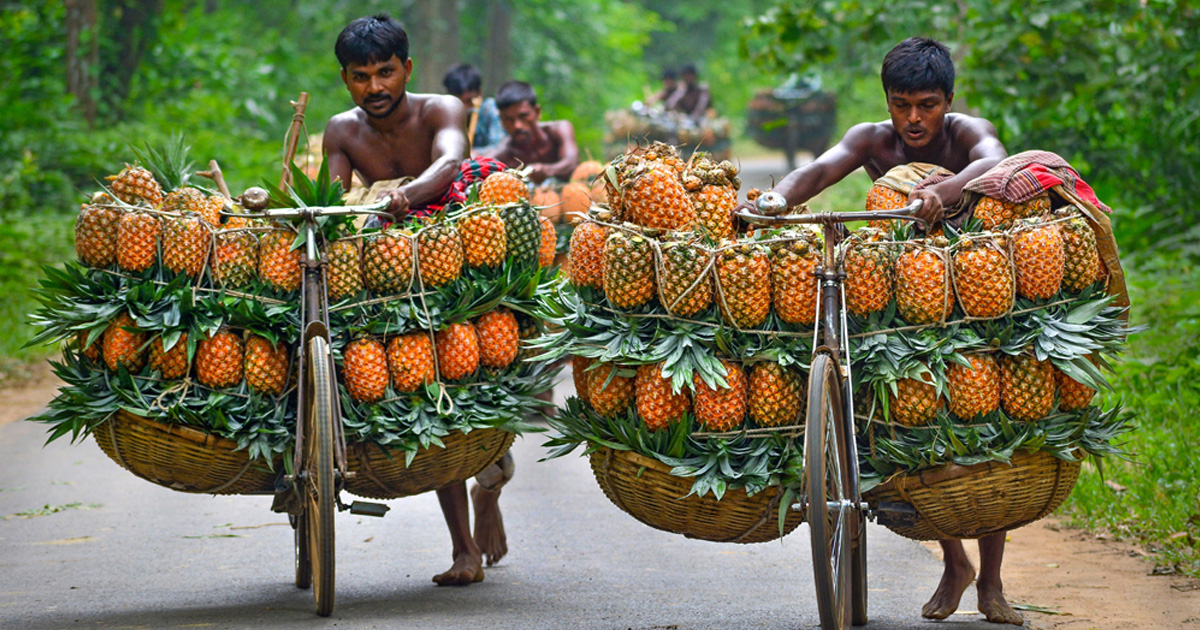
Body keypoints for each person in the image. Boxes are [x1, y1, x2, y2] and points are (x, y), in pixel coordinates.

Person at [747, 38, 1019, 625]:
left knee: (983, 424)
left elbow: (995, 161)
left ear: (948, 100)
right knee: (899, 416)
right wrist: (776, 199)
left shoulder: (969, 133)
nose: (914, 119)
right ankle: (954, 561)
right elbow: (819, 169)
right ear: (887, 102)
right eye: (902, 104)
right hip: (900, 295)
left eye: (927, 104)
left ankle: (991, 581)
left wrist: (945, 192)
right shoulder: (874, 139)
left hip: (970, 293)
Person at [322, 13, 510, 586]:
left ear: (407, 68)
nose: (375, 87)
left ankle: (491, 492)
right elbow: (332, 198)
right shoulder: (341, 131)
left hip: (451, 248)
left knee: (483, 365)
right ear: (346, 79)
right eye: (360, 76)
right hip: (383, 256)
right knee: (418, 383)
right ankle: (464, 552)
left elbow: (451, 161)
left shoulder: (440, 110)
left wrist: (406, 196)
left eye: (385, 72)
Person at [486, 80, 580, 185]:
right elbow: (481, 165)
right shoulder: (504, 154)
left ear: (537, 112)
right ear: (501, 121)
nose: (517, 126)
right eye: (509, 120)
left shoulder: (558, 130)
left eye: (523, 116)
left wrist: (545, 170)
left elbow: (572, 162)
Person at [442, 63, 506, 153]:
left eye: (468, 101)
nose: (463, 107)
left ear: (480, 93)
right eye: (458, 101)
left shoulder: (489, 109)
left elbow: (499, 146)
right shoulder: (444, 114)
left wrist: (473, 153)